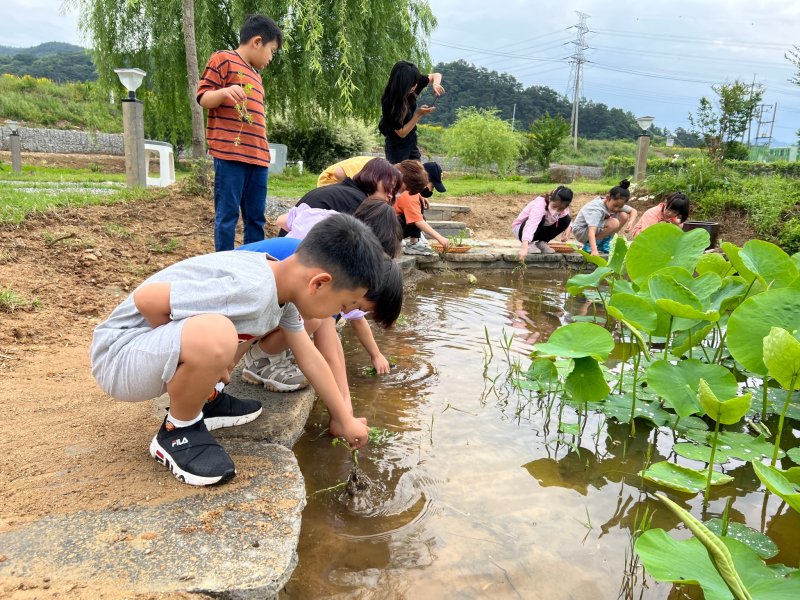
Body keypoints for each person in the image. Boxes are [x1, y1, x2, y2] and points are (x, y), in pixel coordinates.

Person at [90, 214, 385, 487]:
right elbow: (148, 299)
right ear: (319, 283)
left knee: (223, 335)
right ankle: (178, 431)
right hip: (119, 356)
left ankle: (205, 400)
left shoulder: (281, 290)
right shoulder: (253, 289)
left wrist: (345, 418)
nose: (341, 312)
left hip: (144, 350)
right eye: (344, 305)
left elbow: (310, 358)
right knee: (217, 335)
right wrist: (190, 359)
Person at [238, 199, 402, 393]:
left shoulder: (320, 261)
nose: (347, 309)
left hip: (243, 312)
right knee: (313, 321)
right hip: (231, 315)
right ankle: (260, 361)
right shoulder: (321, 278)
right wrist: (344, 411)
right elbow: (330, 352)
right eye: (355, 305)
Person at [196, 15, 283, 252]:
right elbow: (203, 98)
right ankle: (224, 263)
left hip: (258, 158)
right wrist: (224, 92)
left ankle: (251, 264)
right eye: (271, 51)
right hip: (230, 155)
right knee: (227, 215)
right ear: (257, 42)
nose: (270, 58)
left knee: (256, 218)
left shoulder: (256, 76)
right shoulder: (223, 59)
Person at [379, 61, 445, 163]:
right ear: (403, 84)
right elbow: (401, 133)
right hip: (396, 147)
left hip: (411, 141)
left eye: (416, 83)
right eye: (412, 84)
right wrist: (418, 114)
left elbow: (436, 75)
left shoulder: (414, 84)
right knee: (400, 177)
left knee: (416, 176)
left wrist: (436, 84)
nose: (415, 86)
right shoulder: (389, 102)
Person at [572, 180, 638, 256]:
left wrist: (630, 222)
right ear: (608, 198)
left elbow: (633, 211)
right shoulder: (597, 209)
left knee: (624, 215)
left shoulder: (613, 203)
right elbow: (592, 231)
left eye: (620, 207)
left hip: (594, 229)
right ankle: (590, 245)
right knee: (614, 223)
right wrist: (594, 250)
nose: (616, 209)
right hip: (581, 230)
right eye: (615, 205)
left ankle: (606, 242)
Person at [395, 162, 449, 255]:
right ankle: (413, 244)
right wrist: (440, 238)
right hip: (387, 229)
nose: (430, 190)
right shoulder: (410, 194)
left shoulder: (410, 192)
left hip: (386, 224)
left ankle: (412, 242)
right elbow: (417, 220)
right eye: (431, 186)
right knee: (419, 218)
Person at [512, 186, 574, 260]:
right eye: (554, 206)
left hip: (539, 229)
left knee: (566, 219)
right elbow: (531, 224)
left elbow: (567, 217)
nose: (556, 211)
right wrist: (524, 246)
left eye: (560, 209)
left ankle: (542, 242)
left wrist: (568, 228)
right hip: (521, 229)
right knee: (541, 219)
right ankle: (529, 243)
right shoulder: (540, 204)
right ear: (550, 198)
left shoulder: (564, 208)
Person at [317, 157, 429, 196]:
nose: (398, 191)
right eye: (402, 189)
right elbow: (338, 172)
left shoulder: (384, 176)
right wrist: (355, 194)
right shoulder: (373, 166)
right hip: (329, 185)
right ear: (399, 176)